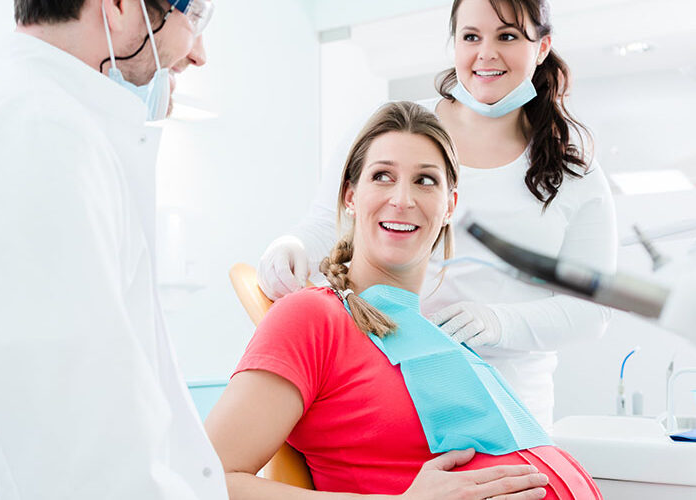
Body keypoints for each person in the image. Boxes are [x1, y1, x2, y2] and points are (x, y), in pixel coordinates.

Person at [0, 1, 224, 498]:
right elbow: (76, 456)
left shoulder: (21, 117)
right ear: (117, 7)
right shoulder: (32, 133)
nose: (198, 53)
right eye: (194, 19)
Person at [205, 101, 601, 499]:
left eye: (425, 181)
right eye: (382, 176)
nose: (402, 199)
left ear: (450, 206)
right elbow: (203, 479)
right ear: (350, 197)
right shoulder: (313, 315)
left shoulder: (432, 338)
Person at [257, 0, 618, 430]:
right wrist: (290, 247)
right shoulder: (398, 130)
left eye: (507, 36)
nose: (486, 53)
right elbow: (330, 221)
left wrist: (499, 322)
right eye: (471, 37)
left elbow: (593, 310)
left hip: (506, 408)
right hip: (386, 385)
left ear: (542, 47)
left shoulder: (572, 170)